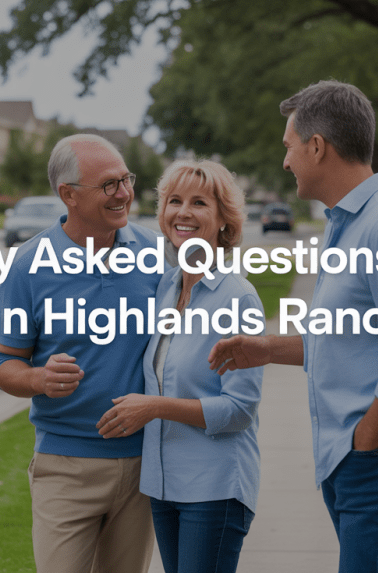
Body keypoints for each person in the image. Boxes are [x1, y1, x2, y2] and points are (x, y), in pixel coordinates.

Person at [209, 80, 378, 573]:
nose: (285, 161)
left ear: (317, 147)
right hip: (359, 457)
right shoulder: (348, 224)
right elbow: (346, 337)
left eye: (289, 146)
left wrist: (366, 440)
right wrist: (268, 349)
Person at [0, 133, 161, 573]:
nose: (123, 193)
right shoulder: (27, 266)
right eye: (108, 184)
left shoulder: (157, 256)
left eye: (126, 179)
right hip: (64, 468)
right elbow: (4, 363)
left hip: (143, 464)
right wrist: (37, 378)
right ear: (68, 194)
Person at [96, 158, 264, 572]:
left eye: (199, 203)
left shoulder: (238, 298)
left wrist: (154, 407)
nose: (183, 213)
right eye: (174, 201)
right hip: (163, 486)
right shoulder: (166, 289)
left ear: (224, 220)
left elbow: (239, 409)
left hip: (214, 488)